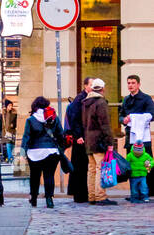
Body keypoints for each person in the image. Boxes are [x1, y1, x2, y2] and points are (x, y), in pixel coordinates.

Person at [21, 96, 65, 208]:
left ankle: (34, 198)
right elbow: (60, 134)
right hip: (51, 151)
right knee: (49, 176)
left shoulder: (31, 120)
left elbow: (26, 137)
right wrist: (61, 148)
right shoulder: (54, 118)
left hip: (34, 152)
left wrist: (22, 152)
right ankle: (49, 199)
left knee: (34, 176)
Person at [82, 77, 116, 206]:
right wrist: (109, 143)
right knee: (100, 168)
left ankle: (92, 196)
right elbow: (105, 125)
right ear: (103, 89)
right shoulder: (101, 103)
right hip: (99, 141)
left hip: (89, 140)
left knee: (91, 169)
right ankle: (100, 196)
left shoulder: (86, 102)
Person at [120, 74, 154, 198]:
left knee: (147, 163)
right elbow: (121, 115)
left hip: (144, 138)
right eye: (128, 83)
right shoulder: (126, 99)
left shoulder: (146, 99)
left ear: (138, 84)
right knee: (132, 165)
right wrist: (123, 119)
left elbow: (152, 114)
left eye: (133, 83)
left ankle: (149, 191)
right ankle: (134, 192)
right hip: (131, 136)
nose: (130, 85)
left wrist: (136, 118)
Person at [64, 77, 92, 204]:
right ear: (85, 86)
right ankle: (79, 194)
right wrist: (78, 135)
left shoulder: (86, 98)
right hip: (80, 139)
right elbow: (74, 119)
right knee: (80, 167)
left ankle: (81, 193)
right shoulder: (80, 99)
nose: (93, 87)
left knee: (82, 167)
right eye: (91, 85)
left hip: (83, 137)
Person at [0, 99, 17, 164]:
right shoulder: (3, 114)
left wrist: (13, 125)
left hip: (12, 131)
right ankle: (10, 158)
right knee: (8, 145)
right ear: (7, 106)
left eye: (11, 105)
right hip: (5, 132)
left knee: (12, 146)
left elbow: (16, 123)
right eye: (9, 105)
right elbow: (1, 123)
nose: (11, 107)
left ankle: (11, 158)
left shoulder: (14, 114)